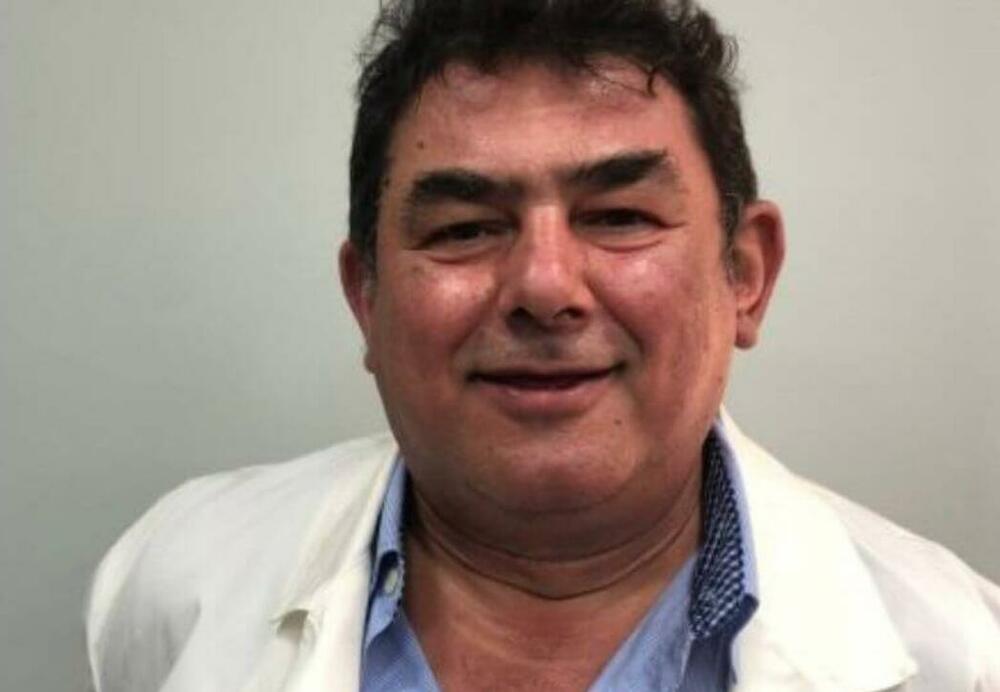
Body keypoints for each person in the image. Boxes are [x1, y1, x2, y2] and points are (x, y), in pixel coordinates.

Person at [85, 0, 1000, 690]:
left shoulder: (962, 652)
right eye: (464, 229)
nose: (546, 288)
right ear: (367, 297)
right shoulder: (176, 580)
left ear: (745, 276)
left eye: (620, 216)